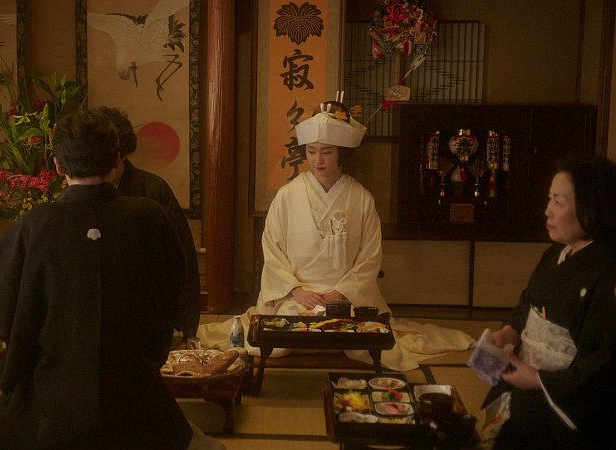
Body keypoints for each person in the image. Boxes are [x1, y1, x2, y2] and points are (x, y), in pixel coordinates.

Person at [0, 110, 194, 449]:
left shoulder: (34, 226)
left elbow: (6, 313)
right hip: (135, 394)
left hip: (51, 399)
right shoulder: (150, 217)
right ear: (117, 159)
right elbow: (172, 289)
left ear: (57, 165)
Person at [212, 100, 474, 370]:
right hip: (297, 295)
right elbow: (272, 249)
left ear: (341, 153)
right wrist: (295, 290)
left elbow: (370, 256)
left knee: (361, 344)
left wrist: (341, 292)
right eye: (311, 151)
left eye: (327, 152)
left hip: (346, 296)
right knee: (277, 345)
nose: (318, 160)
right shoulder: (287, 196)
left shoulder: (361, 198)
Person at [483, 155, 616, 449]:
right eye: (549, 199)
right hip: (526, 389)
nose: (547, 210)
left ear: (592, 208)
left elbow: (603, 362)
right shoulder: (555, 254)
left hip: (561, 404)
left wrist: (538, 379)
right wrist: (509, 332)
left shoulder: (607, 274)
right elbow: (528, 303)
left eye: (559, 201)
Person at [98, 106, 201, 346]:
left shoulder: (153, 190)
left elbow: (182, 260)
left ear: (122, 154)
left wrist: (184, 328)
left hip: (148, 311)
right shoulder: (80, 195)